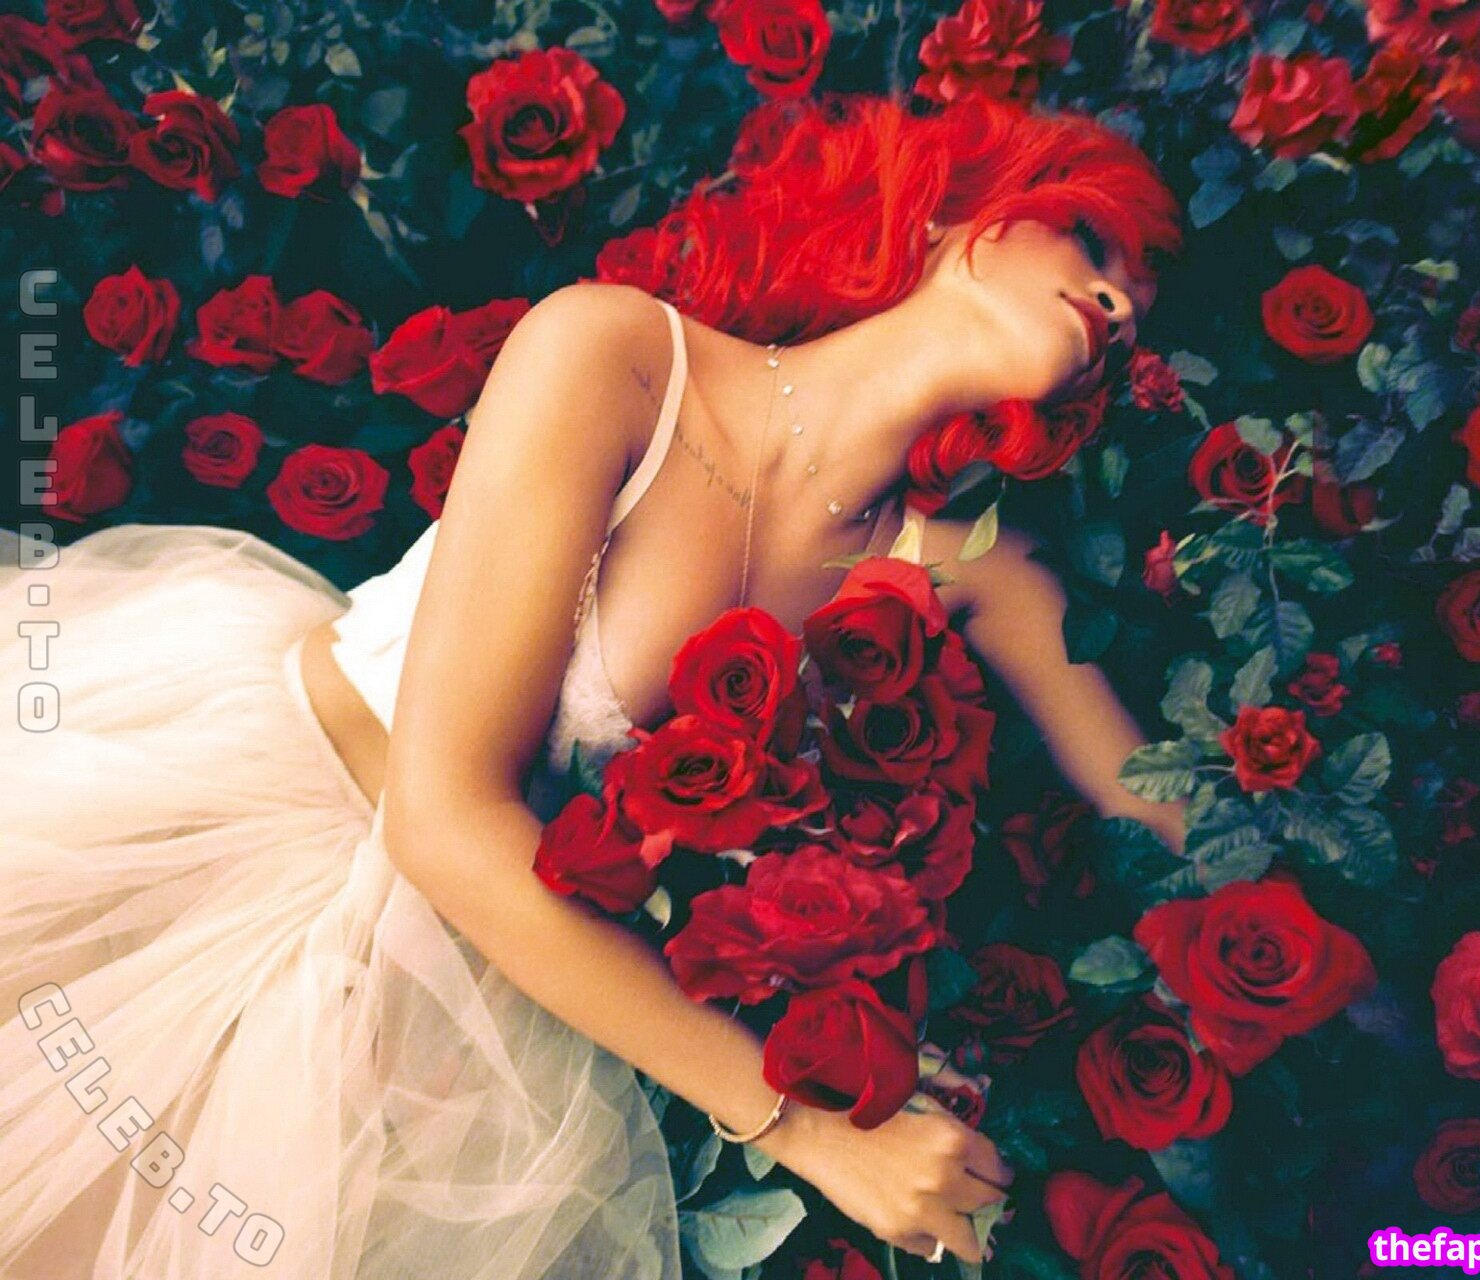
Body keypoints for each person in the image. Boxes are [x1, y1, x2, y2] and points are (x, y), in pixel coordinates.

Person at [0, 92, 1184, 1279]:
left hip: (480, 1005)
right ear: (950, 214)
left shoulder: (974, 564)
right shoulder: (619, 354)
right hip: (234, 847)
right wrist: (812, 1130)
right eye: (1089, 240)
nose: (1119, 301)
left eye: (1135, 297)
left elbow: (1169, 825)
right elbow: (441, 815)